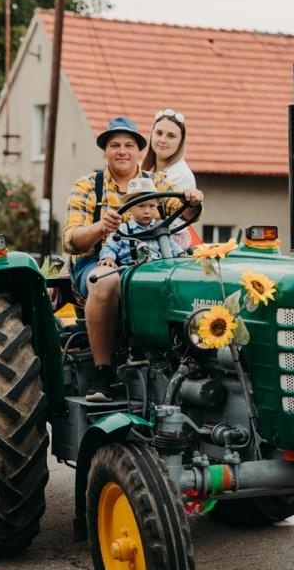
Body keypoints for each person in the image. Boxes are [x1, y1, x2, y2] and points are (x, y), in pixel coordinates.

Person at [63, 116, 203, 401]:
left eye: (129, 144)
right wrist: (101, 227)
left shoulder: (159, 181)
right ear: (105, 151)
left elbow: (182, 212)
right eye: (115, 145)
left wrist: (192, 201)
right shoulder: (89, 186)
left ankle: (190, 361)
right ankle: (102, 373)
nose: (122, 151)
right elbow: (72, 239)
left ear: (141, 150)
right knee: (105, 281)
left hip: (153, 261)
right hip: (101, 260)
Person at [98, 177, 187, 270]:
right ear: (129, 208)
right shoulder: (123, 230)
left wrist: (181, 254)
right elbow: (110, 247)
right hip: (132, 272)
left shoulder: (160, 227)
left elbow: (172, 246)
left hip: (160, 270)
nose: (147, 211)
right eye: (141, 206)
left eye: (152, 206)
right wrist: (109, 259)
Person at [142, 108, 198, 248]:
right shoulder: (145, 168)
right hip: (144, 233)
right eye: (159, 133)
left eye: (171, 136)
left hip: (168, 239)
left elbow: (174, 221)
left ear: (180, 141)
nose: (162, 140)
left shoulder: (181, 175)